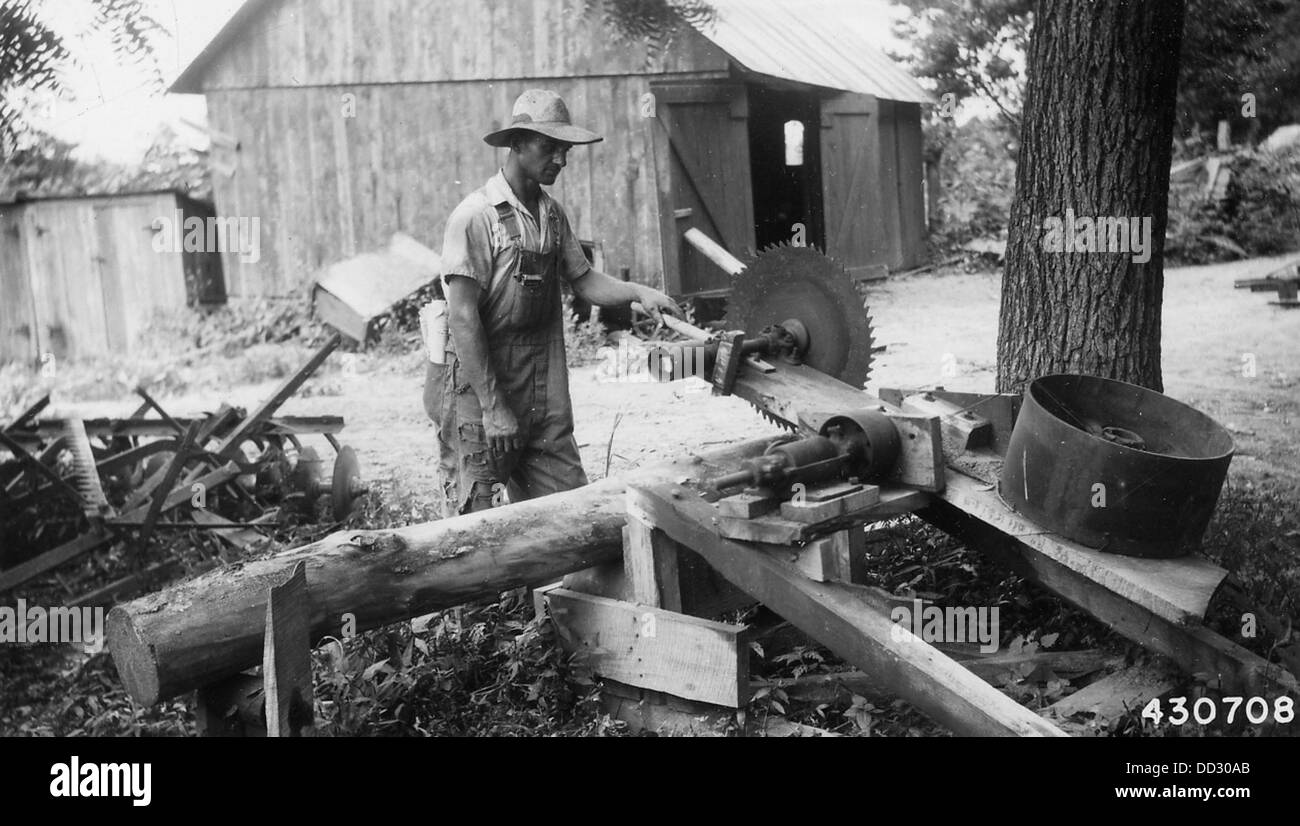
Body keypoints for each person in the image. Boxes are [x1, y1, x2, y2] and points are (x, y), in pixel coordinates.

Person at [438, 89, 679, 514]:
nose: (561, 160)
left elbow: (584, 279)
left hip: (543, 398)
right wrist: (494, 409)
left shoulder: (551, 214)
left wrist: (640, 293)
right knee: (479, 536)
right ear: (516, 143)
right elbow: (461, 317)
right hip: (484, 398)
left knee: (575, 518)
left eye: (564, 149)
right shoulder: (476, 217)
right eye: (549, 147)